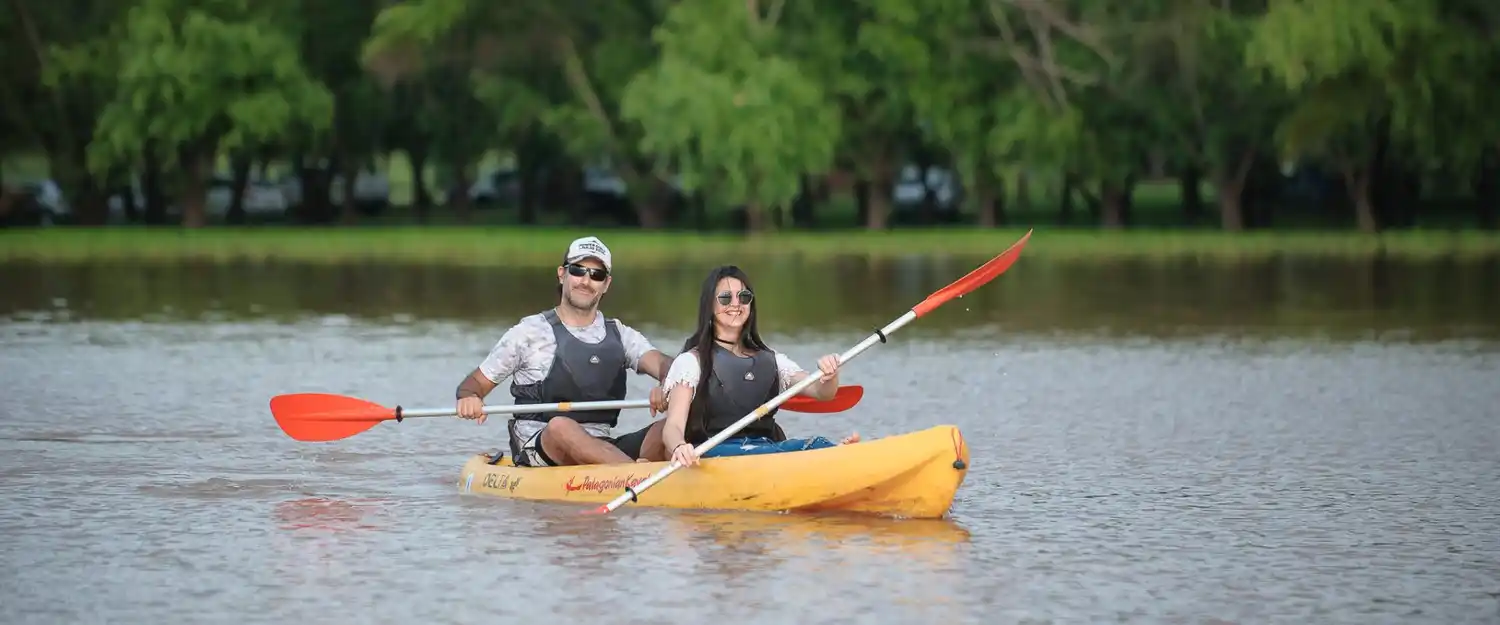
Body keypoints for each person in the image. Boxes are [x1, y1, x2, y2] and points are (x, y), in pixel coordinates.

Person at [453, 236, 672, 467]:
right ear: (562, 274)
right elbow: (474, 383)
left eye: (596, 275)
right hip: (541, 449)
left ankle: (646, 473)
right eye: (578, 270)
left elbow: (668, 365)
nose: (586, 281)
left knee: (674, 425)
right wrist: (470, 398)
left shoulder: (621, 335)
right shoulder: (529, 332)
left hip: (604, 445)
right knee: (561, 426)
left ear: (606, 284)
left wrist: (667, 382)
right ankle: (634, 475)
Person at [636, 265, 860, 466]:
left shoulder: (772, 360)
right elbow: (673, 426)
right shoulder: (690, 363)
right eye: (725, 298)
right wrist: (679, 447)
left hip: (764, 449)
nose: (736, 304)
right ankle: (834, 462)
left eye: (744, 297)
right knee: (771, 453)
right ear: (709, 306)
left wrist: (830, 376)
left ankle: (839, 459)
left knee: (816, 442)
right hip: (712, 452)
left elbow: (822, 393)